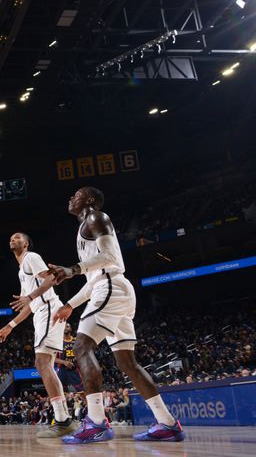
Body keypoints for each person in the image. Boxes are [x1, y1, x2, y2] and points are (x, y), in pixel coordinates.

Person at [38, 187, 185, 443]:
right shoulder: (85, 227)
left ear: (90, 200)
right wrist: (70, 304)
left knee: (81, 347)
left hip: (111, 288)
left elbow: (110, 258)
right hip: (113, 289)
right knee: (128, 363)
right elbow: (94, 277)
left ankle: (96, 422)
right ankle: (168, 423)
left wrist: (72, 270)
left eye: (77, 195)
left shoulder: (96, 217)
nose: (71, 198)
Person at [0, 232, 75, 437]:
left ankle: (63, 420)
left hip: (48, 308)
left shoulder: (31, 257)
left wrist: (31, 296)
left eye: (18, 237)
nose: (13, 239)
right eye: (11, 237)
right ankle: (64, 419)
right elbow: (29, 305)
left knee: (42, 363)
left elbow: (50, 279)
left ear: (26, 243)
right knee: (45, 365)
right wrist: (10, 325)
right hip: (41, 311)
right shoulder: (22, 270)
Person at [55, 323, 84, 419]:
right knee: (60, 395)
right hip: (62, 370)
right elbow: (52, 358)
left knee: (83, 392)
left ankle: (90, 414)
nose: (65, 327)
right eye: (63, 326)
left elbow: (82, 354)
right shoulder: (58, 342)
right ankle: (62, 416)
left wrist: (77, 360)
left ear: (70, 328)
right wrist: (64, 362)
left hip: (75, 370)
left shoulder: (76, 341)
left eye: (67, 325)